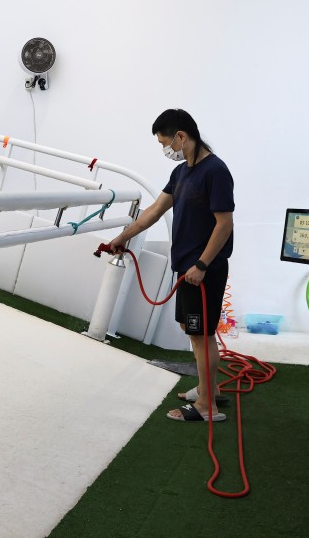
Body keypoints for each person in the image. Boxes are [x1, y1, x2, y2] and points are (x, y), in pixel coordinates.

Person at [107, 109, 234, 423]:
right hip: (187, 268)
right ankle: (209, 388)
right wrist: (124, 236)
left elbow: (224, 223)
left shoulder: (215, 171)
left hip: (202, 270)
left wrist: (202, 264)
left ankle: (207, 406)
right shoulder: (182, 173)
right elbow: (154, 210)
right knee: (191, 330)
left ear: (182, 136)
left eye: (167, 143)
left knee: (201, 334)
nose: (167, 151)